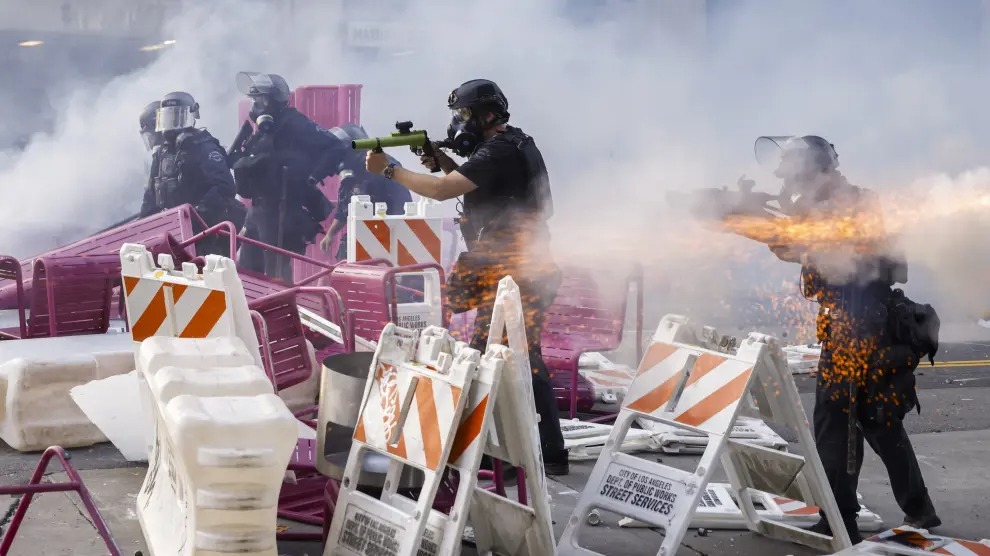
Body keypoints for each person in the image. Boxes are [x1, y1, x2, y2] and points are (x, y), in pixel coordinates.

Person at [363, 78, 568, 475]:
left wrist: (389, 169)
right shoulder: (514, 143)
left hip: (514, 272)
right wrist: (438, 159)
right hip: (518, 269)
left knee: (495, 358)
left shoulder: (497, 151)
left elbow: (443, 191)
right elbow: (474, 183)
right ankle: (543, 450)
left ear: (487, 114)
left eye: (464, 114)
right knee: (519, 358)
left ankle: (517, 453)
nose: (459, 122)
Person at [754, 135, 940, 543]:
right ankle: (919, 510)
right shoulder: (820, 206)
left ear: (816, 170)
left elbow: (822, 243)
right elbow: (791, 247)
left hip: (859, 331)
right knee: (878, 423)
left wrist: (778, 219)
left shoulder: (851, 204)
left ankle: (841, 519)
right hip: (853, 327)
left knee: (838, 425)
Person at [231, 72, 343, 282]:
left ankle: (281, 311)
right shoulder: (264, 129)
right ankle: (249, 311)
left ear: (276, 101)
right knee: (246, 271)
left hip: (282, 211)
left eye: (262, 100)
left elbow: (335, 146)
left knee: (277, 277)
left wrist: (314, 175)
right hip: (257, 210)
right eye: (255, 100)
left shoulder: (295, 124)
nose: (257, 106)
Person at [140, 91, 242, 256]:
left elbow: (225, 187)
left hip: (203, 233)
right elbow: (151, 194)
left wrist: (196, 213)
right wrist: (141, 227)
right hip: (170, 233)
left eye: (177, 117)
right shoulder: (162, 153)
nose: (171, 124)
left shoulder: (203, 146)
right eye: (167, 117)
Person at [319, 123, 412, 261]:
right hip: (362, 232)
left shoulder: (384, 166)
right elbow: (345, 207)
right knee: (345, 266)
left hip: (390, 231)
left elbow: (401, 202)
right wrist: (331, 234)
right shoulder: (353, 172)